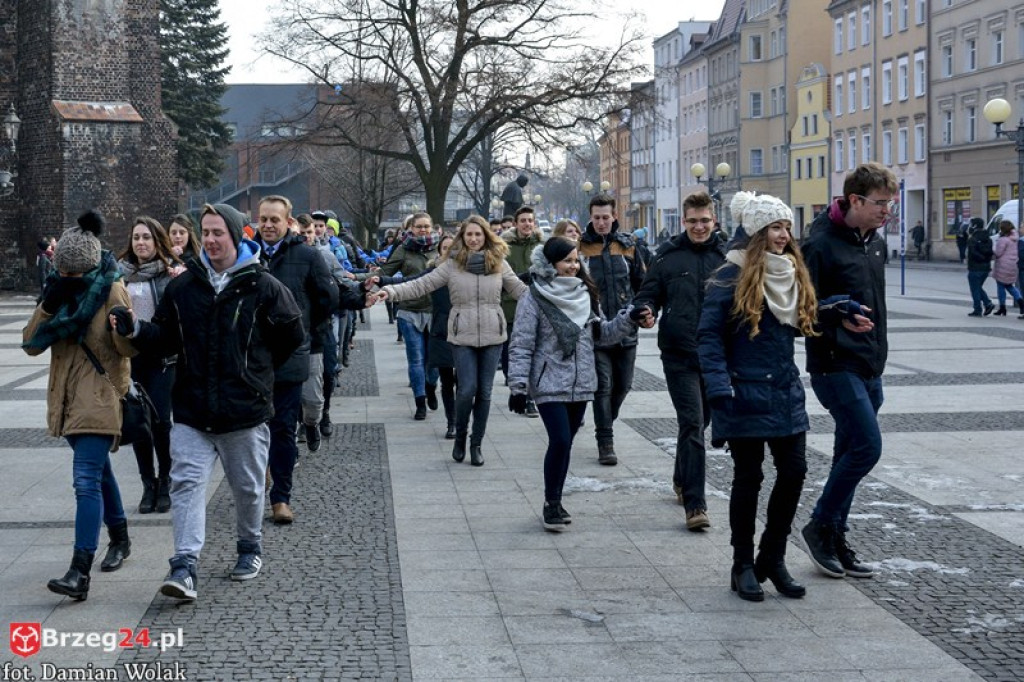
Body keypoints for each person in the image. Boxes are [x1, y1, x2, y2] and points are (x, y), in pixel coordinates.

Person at [111, 203, 305, 602]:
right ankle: (184, 564)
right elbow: (165, 337)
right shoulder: (183, 287)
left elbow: (291, 335)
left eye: (219, 232)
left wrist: (256, 375)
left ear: (235, 235)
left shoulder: (263, 286)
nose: (212, 240)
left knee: (248, 489)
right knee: (185, 485)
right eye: (207, 232)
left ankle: (249, 546)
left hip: (244, 411)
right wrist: (135, 330)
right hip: (192, 410)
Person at [698, 192, 818, 602]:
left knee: (795, 472)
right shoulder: (729, 276)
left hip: (783, 391)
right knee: (749, 478)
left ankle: (773, 556)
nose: (783, 235)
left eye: (786, 227)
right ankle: (743, 563)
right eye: (774, 228)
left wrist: (838, 310)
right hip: (742, 392)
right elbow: (709, 336)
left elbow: (804, 321)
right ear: (756, 233)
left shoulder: (791, 272)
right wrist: (718, 386)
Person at [23, 211, 136, 601]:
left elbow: (126, 351)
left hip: (100, 398)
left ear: (87, 266)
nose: (67, 278)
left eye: (73, 273)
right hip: (67, 398)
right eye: (62, 272)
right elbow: (31, 343)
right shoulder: (58, 290)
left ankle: (79, 571)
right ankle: (120, 537)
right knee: (100, 472)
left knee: (85, 480)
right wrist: (48, 306)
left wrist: (126, 329)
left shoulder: (112, 289)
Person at [800, 162, 896, 580]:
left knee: (848, 451)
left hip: (870, 364)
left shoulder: (874, 242)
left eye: (890, 203)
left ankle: (836, 535)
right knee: (867, 448)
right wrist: (838, 316)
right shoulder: (820, 244)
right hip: (834, 364)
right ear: (855, 200)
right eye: (880, 203)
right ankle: (819, 524)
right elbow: (802, 310)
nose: (887, 211)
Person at [508, 238, 643, 531]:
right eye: (566, 261)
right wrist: (517, 386)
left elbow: (603, 334)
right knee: (559, 440)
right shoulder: (534, 296)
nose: (573, 266)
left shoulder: (586, 293)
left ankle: (556, 500)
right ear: (550, 263)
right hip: (548, 383)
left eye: (576, 260)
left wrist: (628, 318)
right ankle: (551, 503)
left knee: (566, 443)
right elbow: (521, 343)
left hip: (582, 382)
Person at [378, 216, 527, 465]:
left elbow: (521, 291)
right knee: (466, 389)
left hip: (493, 334)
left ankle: (476, 444)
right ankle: (460, 435)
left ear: (486, 236)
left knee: (485, 392)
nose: (474, 239)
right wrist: (390, 291)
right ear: (462, 238)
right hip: (462, 334)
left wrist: (550, 300)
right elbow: (421, 285)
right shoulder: (452, 264)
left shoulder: (499, 263)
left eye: (478, 234)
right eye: (469, 234)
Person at [632, 191, 725, 530]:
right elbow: (647, 294)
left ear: (714, 221)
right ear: (683, 221)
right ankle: (695, 504)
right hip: (678, 352)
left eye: (705, 221)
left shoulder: (727, 257)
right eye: (693, 221)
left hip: (716, 356)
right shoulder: (668, 256)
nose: (699, 227)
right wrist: (646, 311)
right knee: (692, 423)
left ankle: (681, 475)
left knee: (702, 422)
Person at [254, 196, 340, 524]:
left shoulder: (307, 256)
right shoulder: (246, 255)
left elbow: (327, 298)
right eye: (263, 219)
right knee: (253, 427)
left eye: (274, 219)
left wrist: (305, 330)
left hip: (290, 355)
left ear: (288, 222)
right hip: (252, 358)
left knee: (283, 427)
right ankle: (257, 479)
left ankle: (281, 498)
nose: (268, 225)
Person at [116, 216, 180, 514]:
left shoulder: (169, 274)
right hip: (131, 357)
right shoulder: (120, 274)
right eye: (136, 237)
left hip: (162, 357)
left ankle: (165, 479)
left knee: (161, 422)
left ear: (157, 241)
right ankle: (148, 483)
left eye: (146, 237)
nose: (140, 243)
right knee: (138, 422)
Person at [578, 194, 646, 465]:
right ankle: (605, 442)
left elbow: (642, 283)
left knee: (623, 385)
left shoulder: (628, 246)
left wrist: (642, 311)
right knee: (603, 386)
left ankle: (606, 418)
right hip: (596, 328)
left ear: (614, 216)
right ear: (590, 218)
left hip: (626, 327)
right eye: (596, 218)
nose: (601, 222)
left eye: (606, 217)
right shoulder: (581, 247)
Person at [373, 213, 440, 419]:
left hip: (435, 311)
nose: (423, 230)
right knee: (416, 359)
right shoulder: (403, 249)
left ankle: (430, 386)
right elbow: (384, 272)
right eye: (419, 226)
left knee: (434, 360)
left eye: (426, 226)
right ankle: (420, 402)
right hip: (409, 310)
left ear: (432, 228)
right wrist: (362, 279)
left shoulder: (441, 249)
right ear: (411, 229)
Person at [501, 206, 542, 413]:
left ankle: (529, 398)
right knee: (510, 354)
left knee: (533, 353)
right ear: (516, 224)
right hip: (510, 307)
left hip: (537, 307)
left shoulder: (541, 246)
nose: (527, 224)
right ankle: (516, 388)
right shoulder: (504, 247)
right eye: (523, 220)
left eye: (530, 220)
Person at [965, 217, 995, 317]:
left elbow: (973, 253)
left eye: (971, 224)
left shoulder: (972, 239)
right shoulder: (988, 238)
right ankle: (988, 304)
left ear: (974, 226)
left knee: (975, 289)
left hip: (975, 267)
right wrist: (985, 259)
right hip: (986, 267)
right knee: (977, 287)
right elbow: (990, 252)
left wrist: (979, 258)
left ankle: (978, 309)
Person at [992, 220, 1022, 316]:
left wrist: (993, 250)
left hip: (1003, 265)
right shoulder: (1015, 238)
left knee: (1001, 286)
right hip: (1013, 265)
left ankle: (1002, 307)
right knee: (1009, 285)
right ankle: (1020, 301)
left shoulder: (1003, 240)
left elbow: (998, 253)